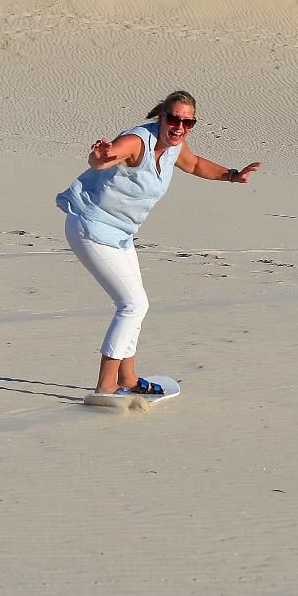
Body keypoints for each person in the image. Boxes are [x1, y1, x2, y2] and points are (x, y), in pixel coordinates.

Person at [57, 90, 260, 397]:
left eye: (188, 122)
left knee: (136, 304)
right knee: (133, 305)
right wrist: (98, 157)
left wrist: (232, 176)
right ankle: (106, 386)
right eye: (174, 119)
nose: (179, 127)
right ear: (160, 116)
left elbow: (194, 165)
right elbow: (106, 158)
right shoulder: (138, 141)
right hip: (90, 226)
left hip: (120, 234)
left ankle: (128, 378)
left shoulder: (174, 147)